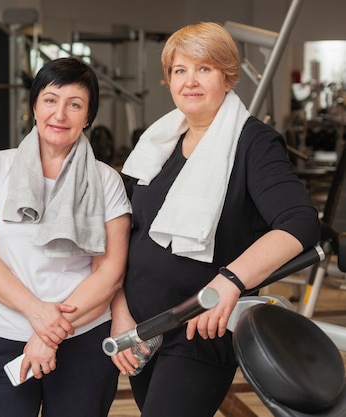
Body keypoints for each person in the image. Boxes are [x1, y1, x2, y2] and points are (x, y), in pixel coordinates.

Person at [109, 22, 321, 417]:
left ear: (227, 77)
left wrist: (230, 282)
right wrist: (121, 311)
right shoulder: (156, 143)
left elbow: (299, 223)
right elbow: (125, 232)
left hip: (198, 331)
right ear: (168, 80)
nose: (190, 81)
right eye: (179, 70)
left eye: (204, 69)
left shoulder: (253, 142)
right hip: (143, 328)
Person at [0, 57, 132, 417]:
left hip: (84, 339)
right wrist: (36, 313)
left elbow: (110, 271)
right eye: (51, 100)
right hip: (2, 336)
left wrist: (47, 333)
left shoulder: (106, 181)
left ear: (88, 116)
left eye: (75, 104)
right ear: (35, 106)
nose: (60, 114)